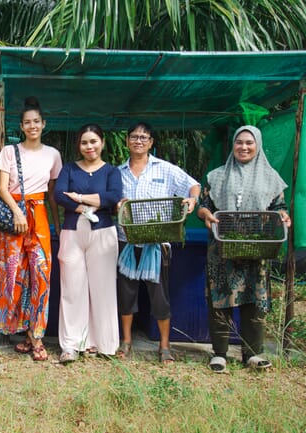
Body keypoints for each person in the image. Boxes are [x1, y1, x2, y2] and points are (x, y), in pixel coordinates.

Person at [197, 125, 290, 373]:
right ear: (233, 146)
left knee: (254, 299)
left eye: (249, 143)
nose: (244, 147)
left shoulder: (271, 178)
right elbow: (203, 205)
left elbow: (280, 207)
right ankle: (219, 354)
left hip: (256, 247)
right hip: (223, 248)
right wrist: (205, 213)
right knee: (220, 299)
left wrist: (283, 216)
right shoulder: (216, 176)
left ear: (257, 146)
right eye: (239, 142)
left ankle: (253, 353)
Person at [116, 121, 200, 364]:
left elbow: (193, 185)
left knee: (159, 295)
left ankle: (165, 346)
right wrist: (116, 204)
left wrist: (192, 201)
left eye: (144, 137)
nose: (138, 141)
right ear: (127, 141)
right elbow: (111, 199)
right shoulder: (118, 172)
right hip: (127, 241)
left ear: (151, 142)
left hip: (157, 242)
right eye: (134, 136)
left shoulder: (166, 169)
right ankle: (127, 341)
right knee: (126, 292)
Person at [0, 96, 62, 362]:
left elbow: (53, 194)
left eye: (36, 121)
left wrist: (55, 225)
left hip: (41, 215)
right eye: (27, 122)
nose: (32, 126)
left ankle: (37, 336)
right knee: (13, 274)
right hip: (14, 214)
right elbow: (1, 188)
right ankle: (22, 331)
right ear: (21, 126)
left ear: (43, 124)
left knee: (41, 275)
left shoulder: (53, 154)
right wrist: (17, 211)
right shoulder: (9, 152)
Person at [54, 124, 123, 363]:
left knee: (102, 288)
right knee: (72, 288)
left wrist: (80, 197)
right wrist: (87, 205)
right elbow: (59, 195)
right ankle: (72, 344)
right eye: (84, 142)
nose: (89, 146)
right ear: (78, 146)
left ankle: (104, 343)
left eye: (93, 141)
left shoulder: (111, 171)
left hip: (102, 232)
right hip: (73, 231)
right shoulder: (70, 168)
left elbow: (114, 196)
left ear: (102, 142)